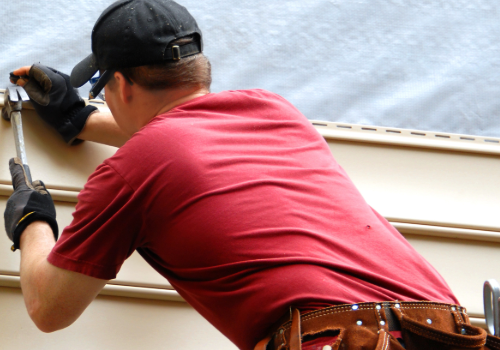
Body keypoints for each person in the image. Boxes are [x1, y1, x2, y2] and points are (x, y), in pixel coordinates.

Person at [4, 1, 497, 349]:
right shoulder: (275, 112)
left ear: (121, 86)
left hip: (339, 342)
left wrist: (33, 223)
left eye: (103, 91)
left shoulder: (132, 171)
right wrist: (80, 120)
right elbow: (187, 145)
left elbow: (50, 309)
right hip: (445, 333)